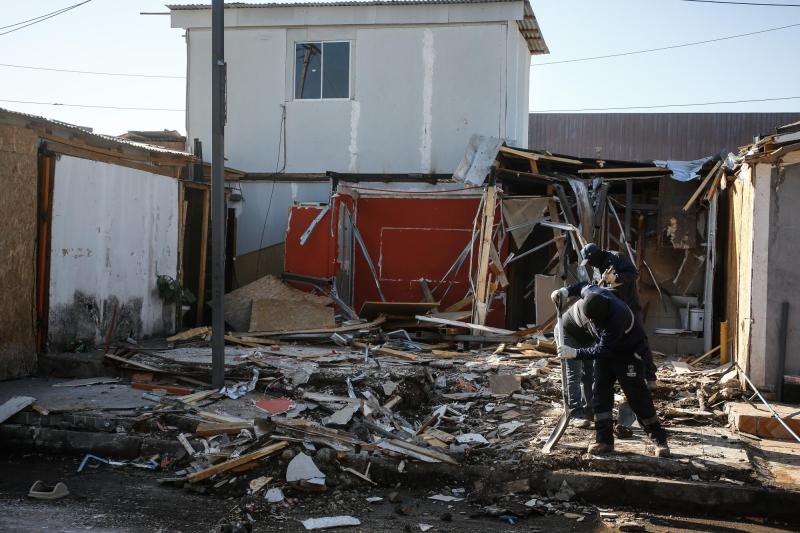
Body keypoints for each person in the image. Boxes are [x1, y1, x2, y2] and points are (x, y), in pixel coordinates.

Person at [551, 284, 669, 457]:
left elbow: (602, 350)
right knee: (600, 394)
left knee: (637, 397)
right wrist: (564, 291)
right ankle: (604, 441)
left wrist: (574, 353)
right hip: (606, 354)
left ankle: (659, 440)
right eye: (589, 319)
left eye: (595, 321)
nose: (591, 323)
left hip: (627, 353)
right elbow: (581, 285)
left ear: (603, 316)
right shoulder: (592, 292)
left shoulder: (616, 318)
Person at [579, 243, 658, 385]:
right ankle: (614, 376)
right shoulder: (597, 268)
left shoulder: (617, 257)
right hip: (612, 310)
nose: (590, 264)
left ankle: (650, 376)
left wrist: (616, 278)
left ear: (596, 255)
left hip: (630, 306)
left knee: (639, 340)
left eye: (590, 261)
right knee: (609, 342)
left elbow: (634, 274)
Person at [556, 301, 596, 428]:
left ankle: (590, 410)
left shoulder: (613, 310)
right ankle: (575, 413)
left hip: (586, 336)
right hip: (567, 334)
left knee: (590, 373)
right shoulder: (593, 311)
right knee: (574, 373)